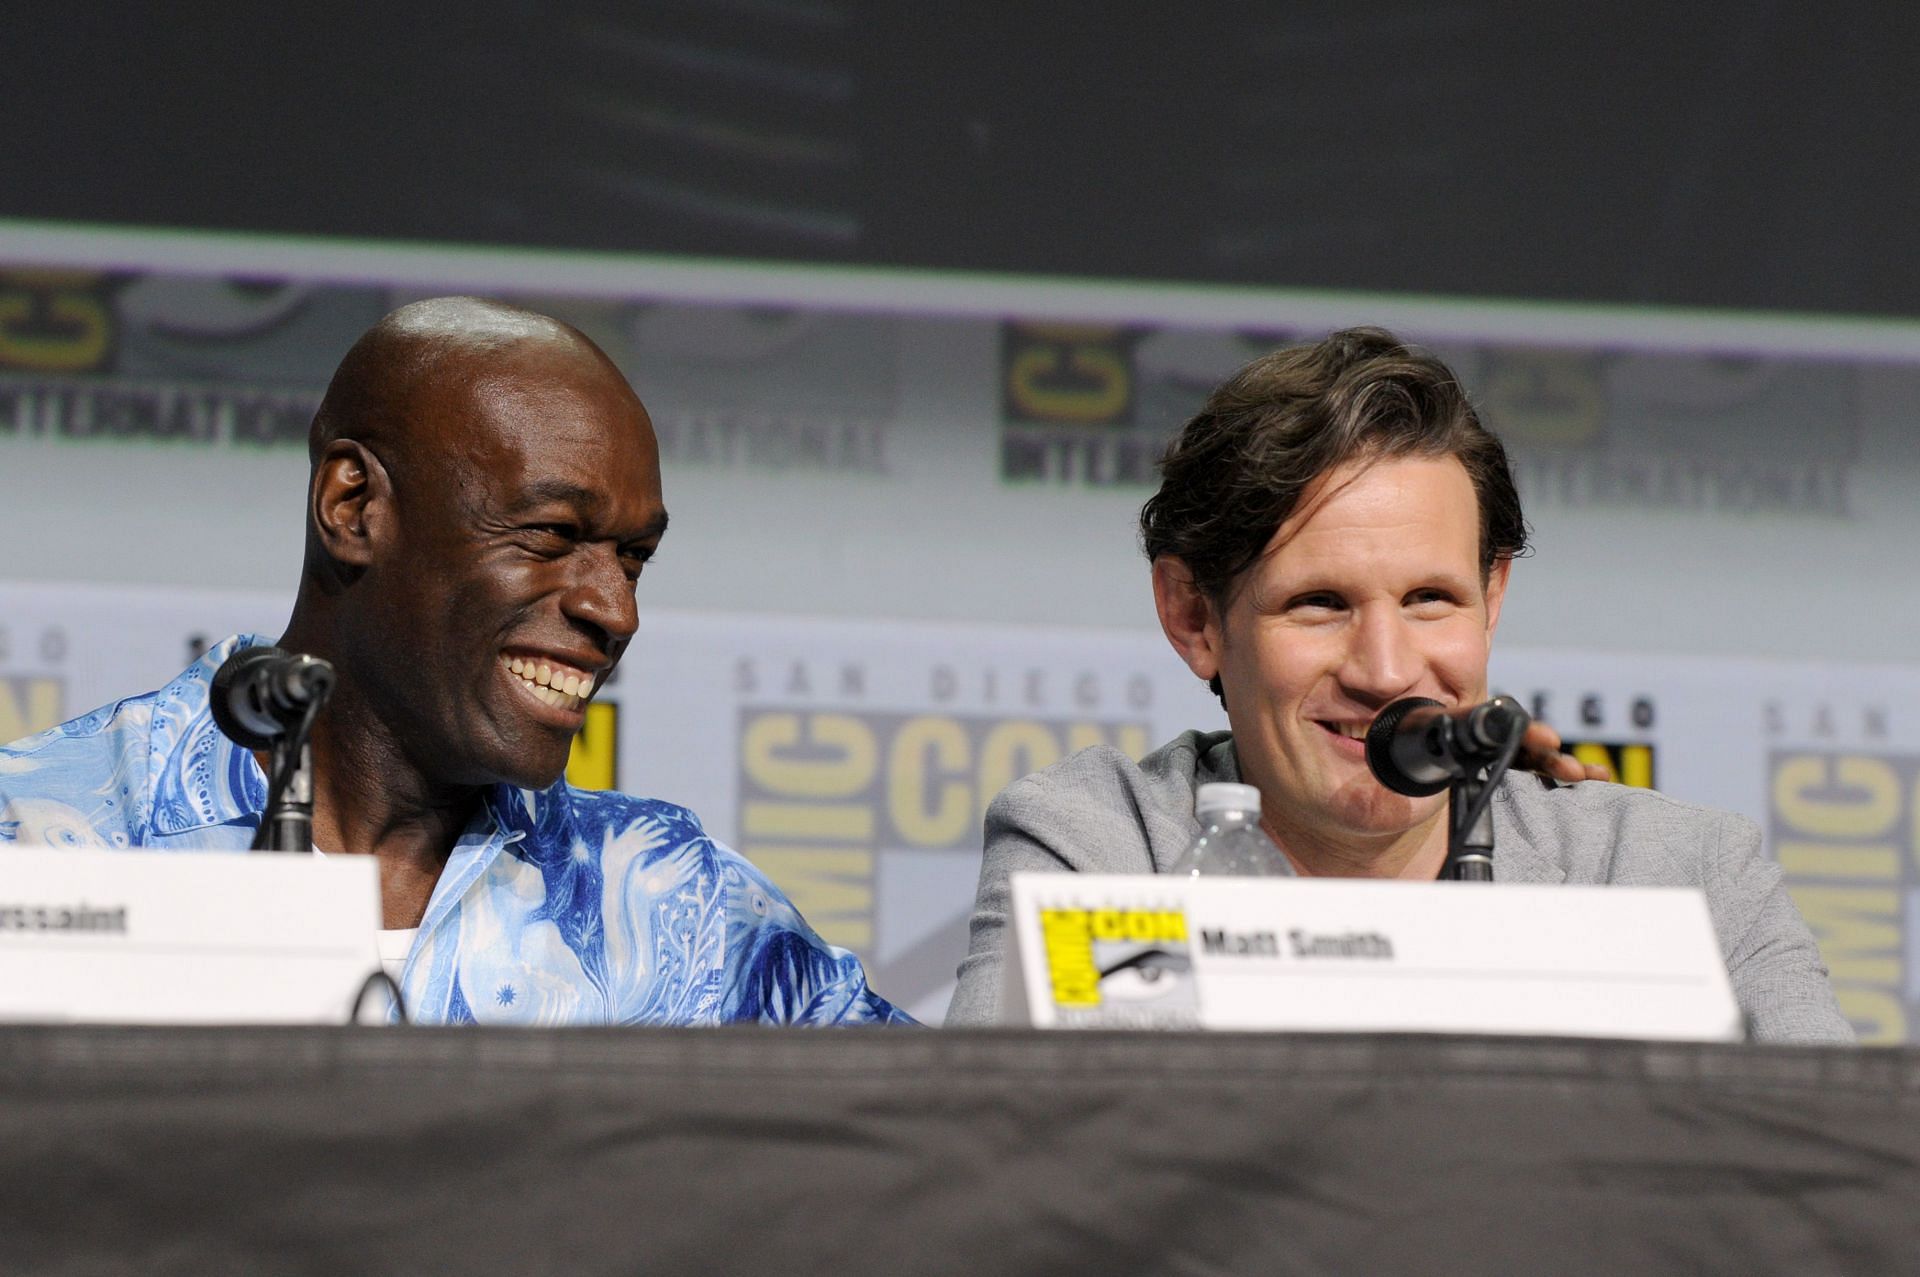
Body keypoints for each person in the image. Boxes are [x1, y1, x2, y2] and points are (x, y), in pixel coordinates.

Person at [0, 297, 909, 1027]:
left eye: (633, 557)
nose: (614, 608)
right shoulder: (41, 837)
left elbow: (956, 1155)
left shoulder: (676, 905)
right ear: (354, 506)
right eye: (553, 534)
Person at [947, 327, 1850, 1043]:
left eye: (1429, 599)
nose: (1385, 670)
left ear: (1492, 596)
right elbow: (1001, 1178)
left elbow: (1847, 1197)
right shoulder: (1096, 848)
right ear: (1194, 617)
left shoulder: (1676, 879)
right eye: (1319, 603)